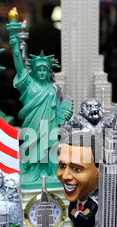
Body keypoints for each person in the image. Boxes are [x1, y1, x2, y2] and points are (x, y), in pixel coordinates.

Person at [9, 27, 73, 187]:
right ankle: (32, 172)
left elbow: (56, 110)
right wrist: (15, 46)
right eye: (39, 69)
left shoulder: (53, 89)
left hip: (49, 125)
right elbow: (19, 65)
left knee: (50, 149)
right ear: (34, 71)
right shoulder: (29, 85)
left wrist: (65, 113)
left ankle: (50, 172)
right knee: (32, 149)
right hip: (33, 124)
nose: (43, 72)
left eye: (46, 69)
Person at [57, 132, 99, 227]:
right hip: (77, 226)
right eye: (62, 166)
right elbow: (72, 214)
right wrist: (77, 214)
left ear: (98, 176)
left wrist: (76, 213)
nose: (65, 176)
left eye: (76, 169)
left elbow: (86, 218)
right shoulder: (74, 202)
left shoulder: (92, 204)